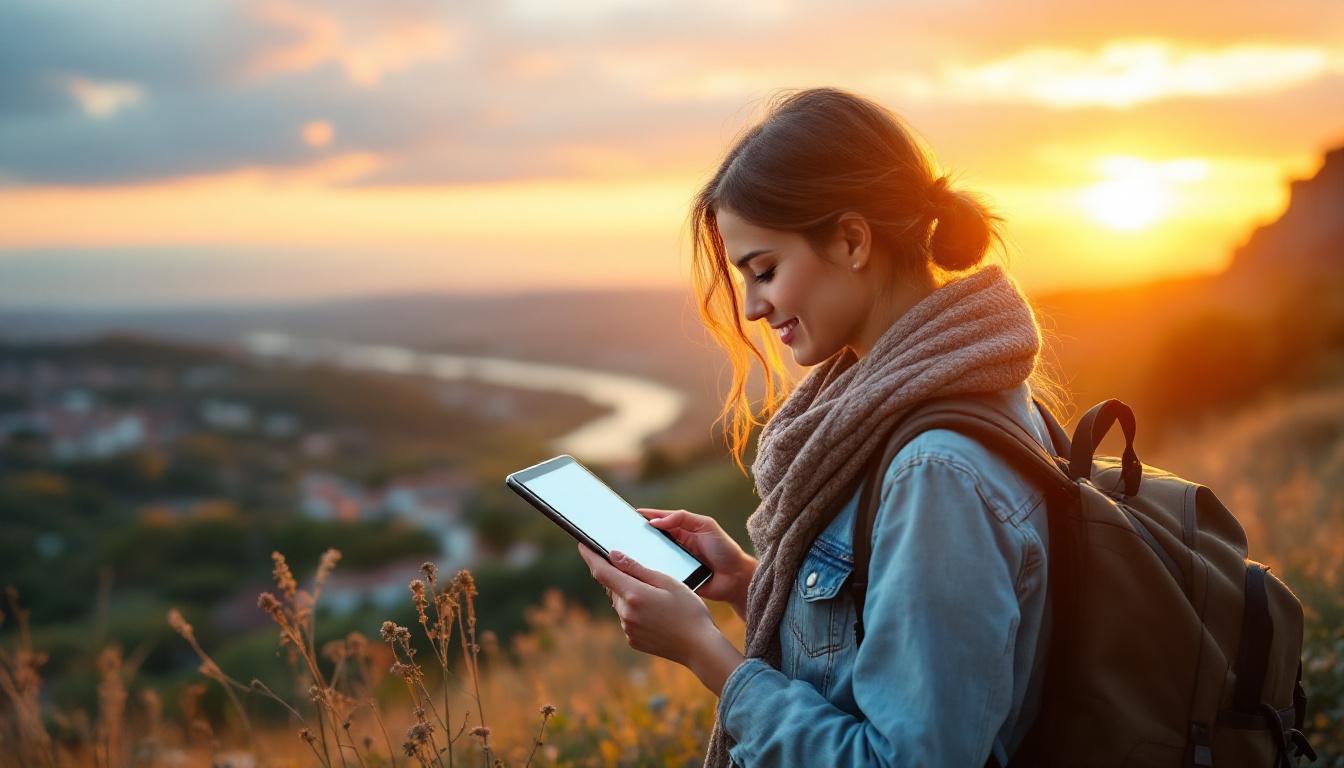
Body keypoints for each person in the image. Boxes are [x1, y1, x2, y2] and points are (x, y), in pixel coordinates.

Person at [577, 86, 1071, 767]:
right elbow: (889, 656)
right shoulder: (938, 396)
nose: (752, 307)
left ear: (852, 239)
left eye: (765, 270)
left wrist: (706, 654)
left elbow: (906, 759)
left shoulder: (935, 472)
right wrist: (751, 586)